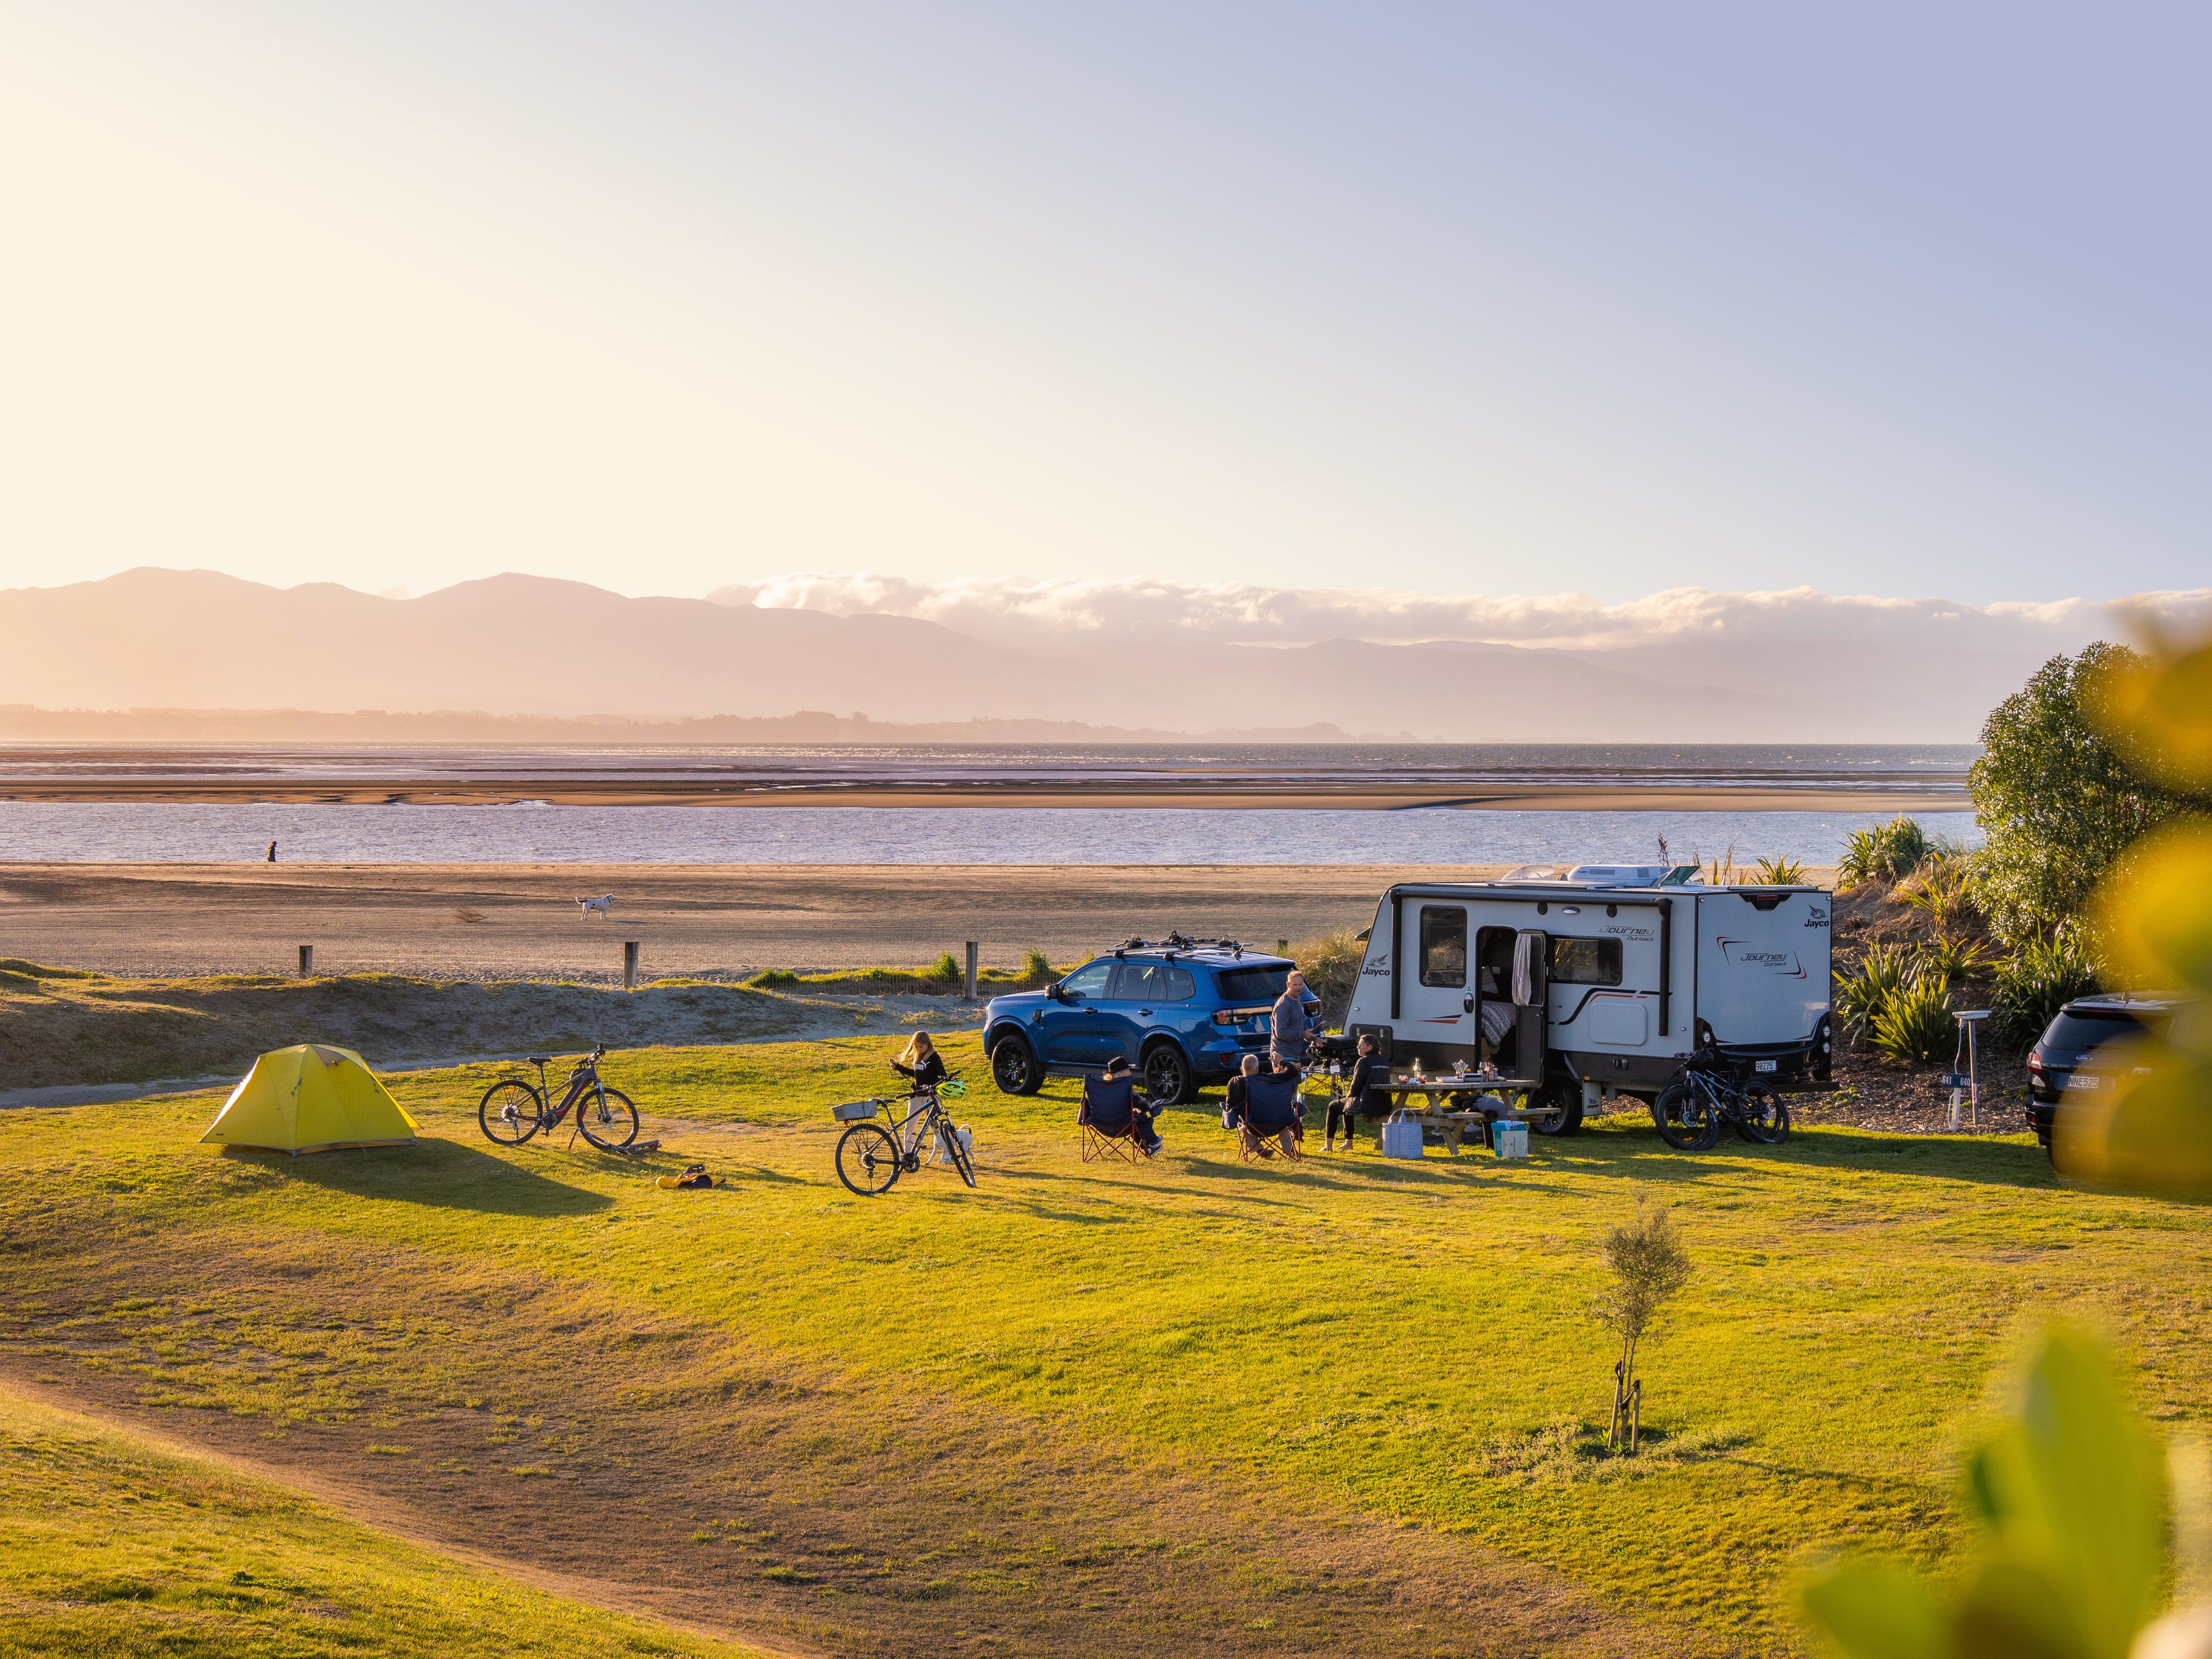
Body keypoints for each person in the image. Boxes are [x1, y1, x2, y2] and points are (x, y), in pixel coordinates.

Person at [1089, 1055, 1161, 1155]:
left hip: (1100, 1125)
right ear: (1121, 1074)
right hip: (1122, 1126)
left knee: (1135, 1116)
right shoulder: (1125, 1088)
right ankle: (1151, 1142)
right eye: (1128, 1071)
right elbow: (1144, 1105)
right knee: (1140, 1118)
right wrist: (1150, 1107)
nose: (1130, 1073)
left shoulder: (1099, 1088)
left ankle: (1149, 1146)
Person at [1331, 1033, 1389, 1152]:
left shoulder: (1363, 1062)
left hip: (1366, 1103)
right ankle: (1348, 1143)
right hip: (1384, 1104)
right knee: (1347, 1105)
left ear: (1370, 1048)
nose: (1358, 1047)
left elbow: (1356, 1085)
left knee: (1334, 1106)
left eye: (1361, 1045)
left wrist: (1348, 1096)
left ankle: (1331, 1145)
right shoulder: (1384, 1061)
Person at [892, 1032, 948, 1152]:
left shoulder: (934, 1057)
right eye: (916, 1047)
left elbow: (943, 1076)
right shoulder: (917, 1057)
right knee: (910, 1126)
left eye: (921, 1047)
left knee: (936, 1126)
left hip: (930, 1097)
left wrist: (930, 1086)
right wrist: (899, 1068)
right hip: (916, 1096)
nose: (919, 1049)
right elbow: (916, 1074)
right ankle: (908, 1153)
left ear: (928, 1044)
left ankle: (948, 1151)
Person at [1240, 1056, 1304, 1159]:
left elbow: (1233, 1107)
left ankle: (1259, 1150)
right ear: (1257, 1069)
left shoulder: (1238, 1083)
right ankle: (1290, 1150)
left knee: (1243, 1123)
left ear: (1242, 1070)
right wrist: (1281, 1062)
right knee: (1281, 1116)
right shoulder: (1272, 1079)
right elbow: (1292, 1072)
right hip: (1280, 1123)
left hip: (1254, 1126)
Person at [1270, 971, 1311, 1071]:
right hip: (1282, 1055)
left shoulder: (1298, 1000)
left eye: (1300, 985)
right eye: (1295, 985)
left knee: (1294, 1086)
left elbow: (1301, 1024)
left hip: (1294, 1054)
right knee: (1285, 1086)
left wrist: (1315, 1039)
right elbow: (1281, 1032)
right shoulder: (1284, 1005)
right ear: (1288, 985)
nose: (1298, 988)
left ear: (1304, 985)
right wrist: (1303, 1035)